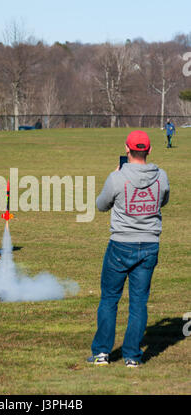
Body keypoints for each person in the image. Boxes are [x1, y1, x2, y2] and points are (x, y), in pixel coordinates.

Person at [88, 131, 170, 367]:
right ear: (150, 150)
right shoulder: (161, 176)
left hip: (121, 244)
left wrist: (114, 176)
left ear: (127, 149)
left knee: (109, 299)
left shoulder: (117, 178)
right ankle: (132, 356)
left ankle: (102, 353)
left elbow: (101, 205)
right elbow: (162, 200)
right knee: (138, 302)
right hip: (150, 244)